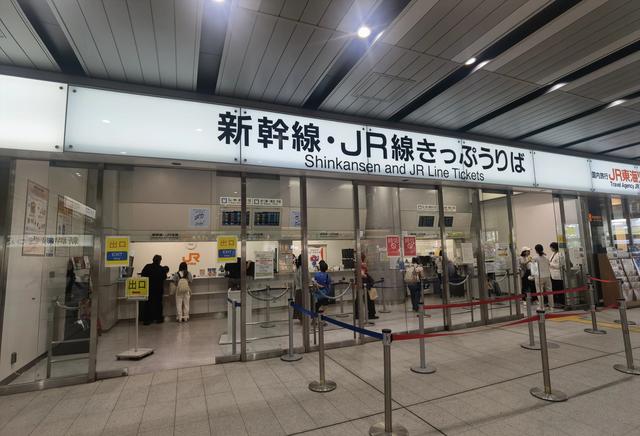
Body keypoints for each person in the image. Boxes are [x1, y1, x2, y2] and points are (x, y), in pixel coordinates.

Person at [141, 255, 168, 325]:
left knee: (148, 304)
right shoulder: (161, 269)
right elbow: (165, 277)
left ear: (153, 260)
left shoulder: (147, 267)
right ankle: (158, 319)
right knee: (158, 304)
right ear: (159, 261)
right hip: (158, 290)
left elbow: (142, 275)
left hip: (149, 289)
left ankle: (147, 320)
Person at [531, 244, 553, 310]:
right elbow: (549, 265)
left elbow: (533, 268)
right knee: (549, 291)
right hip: (547, 276)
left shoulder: (535, 258)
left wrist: (532, 276)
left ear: (536, 250)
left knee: (539, 292)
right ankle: (551, 306)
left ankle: (541, 306)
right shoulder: (546, 257)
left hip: (539, 277)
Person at [359, 253, 378, 319]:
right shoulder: (361, 264)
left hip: (366, 283)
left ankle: (371, 314)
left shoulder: (360, 264)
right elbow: (362, 274)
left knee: (369, 299)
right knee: (369, 299)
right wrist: (365, 275)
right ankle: (371, 314)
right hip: (366, 284)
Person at [549, 242, 566, 308]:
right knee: (555, 289)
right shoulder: (553, 254)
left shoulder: (560, 254)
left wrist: (550, 264)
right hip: (553, 274)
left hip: (558, 275)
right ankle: (556, 302)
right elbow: (550, 261)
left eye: (551, 247)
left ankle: (561, 302)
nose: (550, 249)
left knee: (559, 289)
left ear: (554, 247)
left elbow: (559, 265)